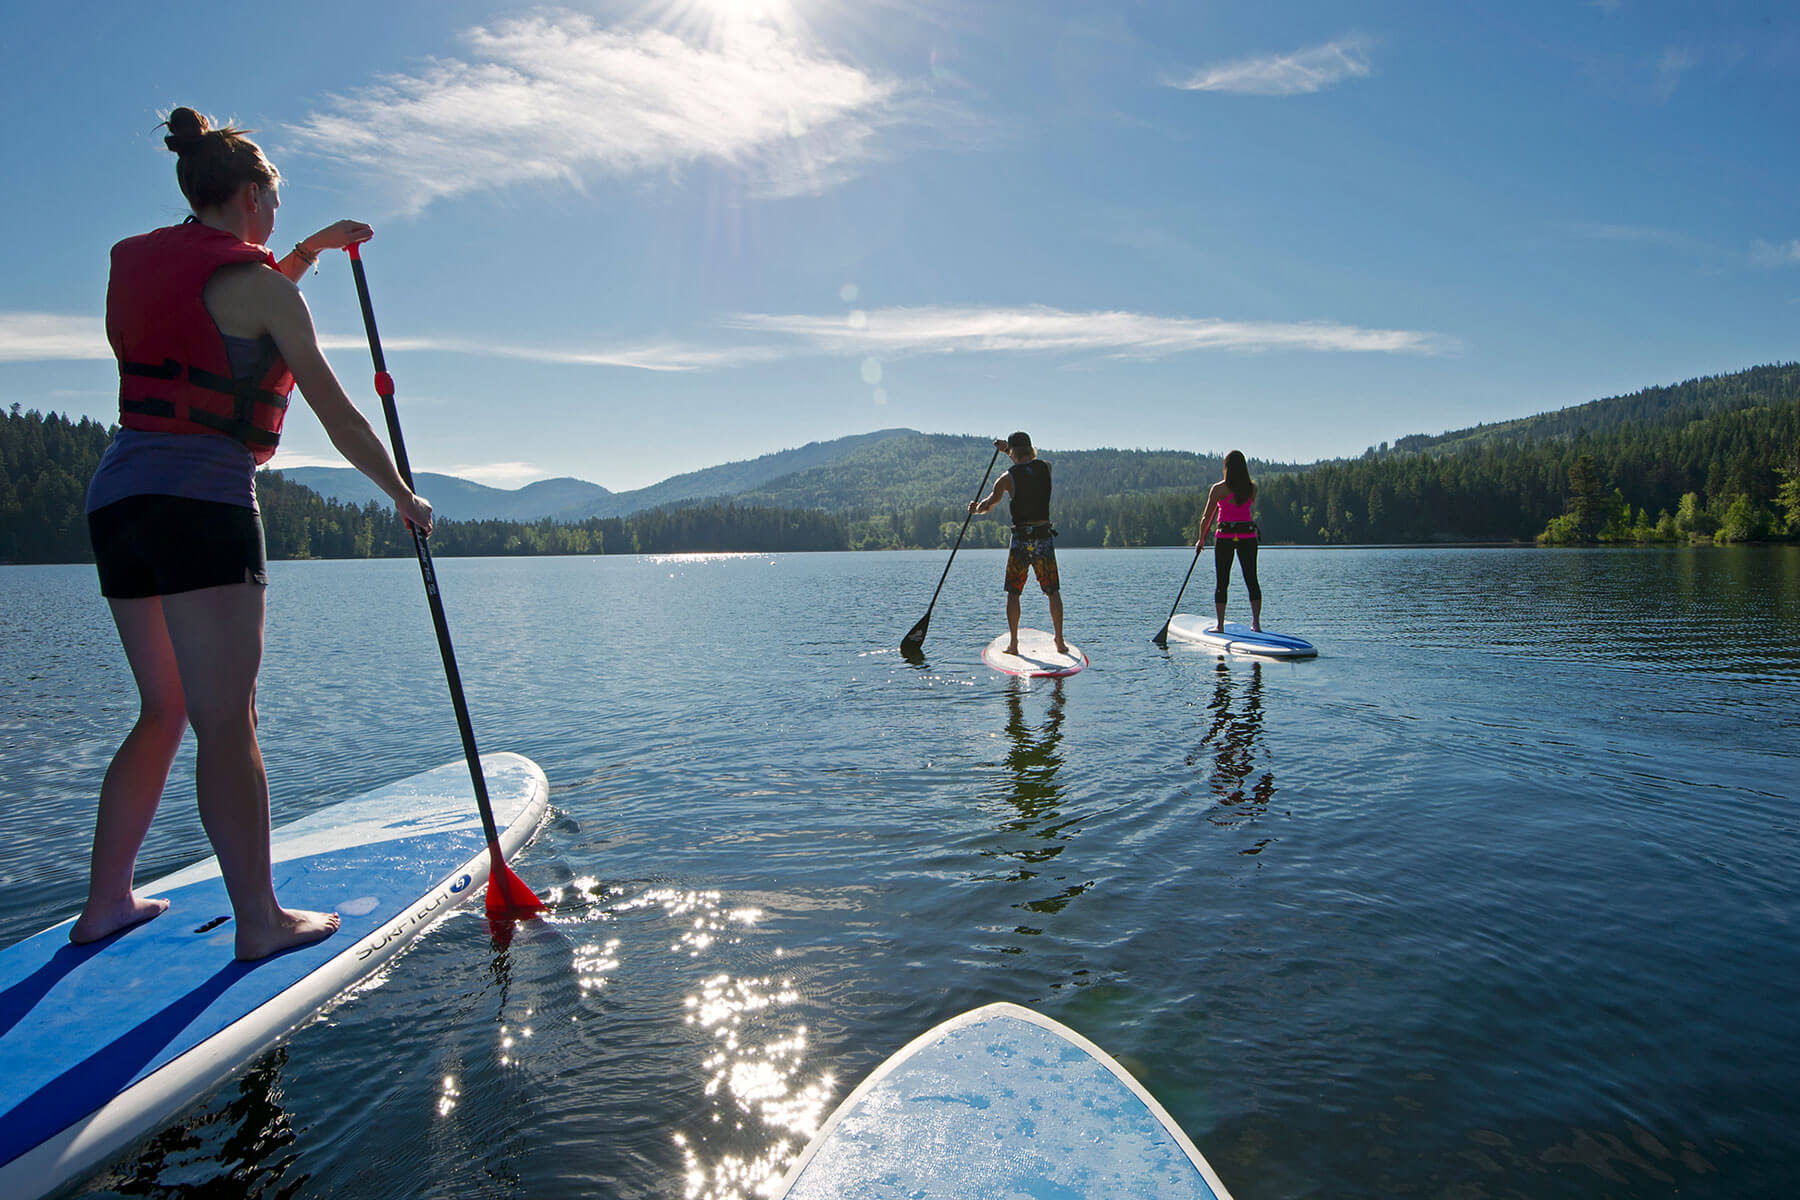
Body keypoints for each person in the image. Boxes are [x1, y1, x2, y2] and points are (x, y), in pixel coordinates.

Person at [75, 107, 434, 961]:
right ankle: (261, 923)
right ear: (249, 195)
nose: (277, 220)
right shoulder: (263, 289)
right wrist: (401, 495)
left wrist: (307, 250)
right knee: (227, 720)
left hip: (119, 494)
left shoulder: (142, 263)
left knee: (162, 709)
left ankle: (104, 904)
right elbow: (338, 413)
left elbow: (229, 304)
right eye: (274, 204)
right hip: (202, 501)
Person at [969, 431, 1067, 655]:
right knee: (1053, 591)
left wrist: (975, 509)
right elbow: (1028, 465)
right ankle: (1059, 642)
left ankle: (1013, 645)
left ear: (1012, 451)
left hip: (1021, 540)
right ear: (1031, 447)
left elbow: (987, 505)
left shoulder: (1006, 479)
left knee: (1014, 593)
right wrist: (1009, 451)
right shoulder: (1046, 467)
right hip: (1043, 538)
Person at [1195, 450, 1261, 633]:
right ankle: (1256, 624)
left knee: (1222, 581)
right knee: (1251, 579)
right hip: (1248, 537)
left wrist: (1200, 540)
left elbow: (1205, 518)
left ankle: (1220, 625)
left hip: (1225, 538)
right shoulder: (1252, 488)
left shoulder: (1218, 489)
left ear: (1227, 467)